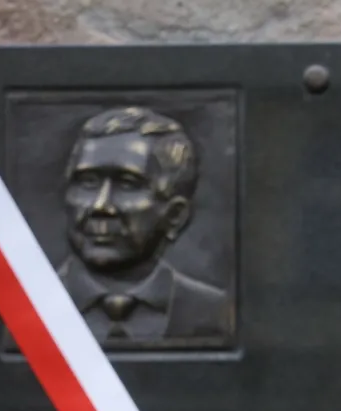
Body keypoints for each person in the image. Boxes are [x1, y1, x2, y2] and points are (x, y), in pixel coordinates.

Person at [57, 106, 229, 346]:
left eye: (127, 185)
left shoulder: (218, 312)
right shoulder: (25, 306)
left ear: (175, 215)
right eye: (87, 182)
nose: (100, 205)